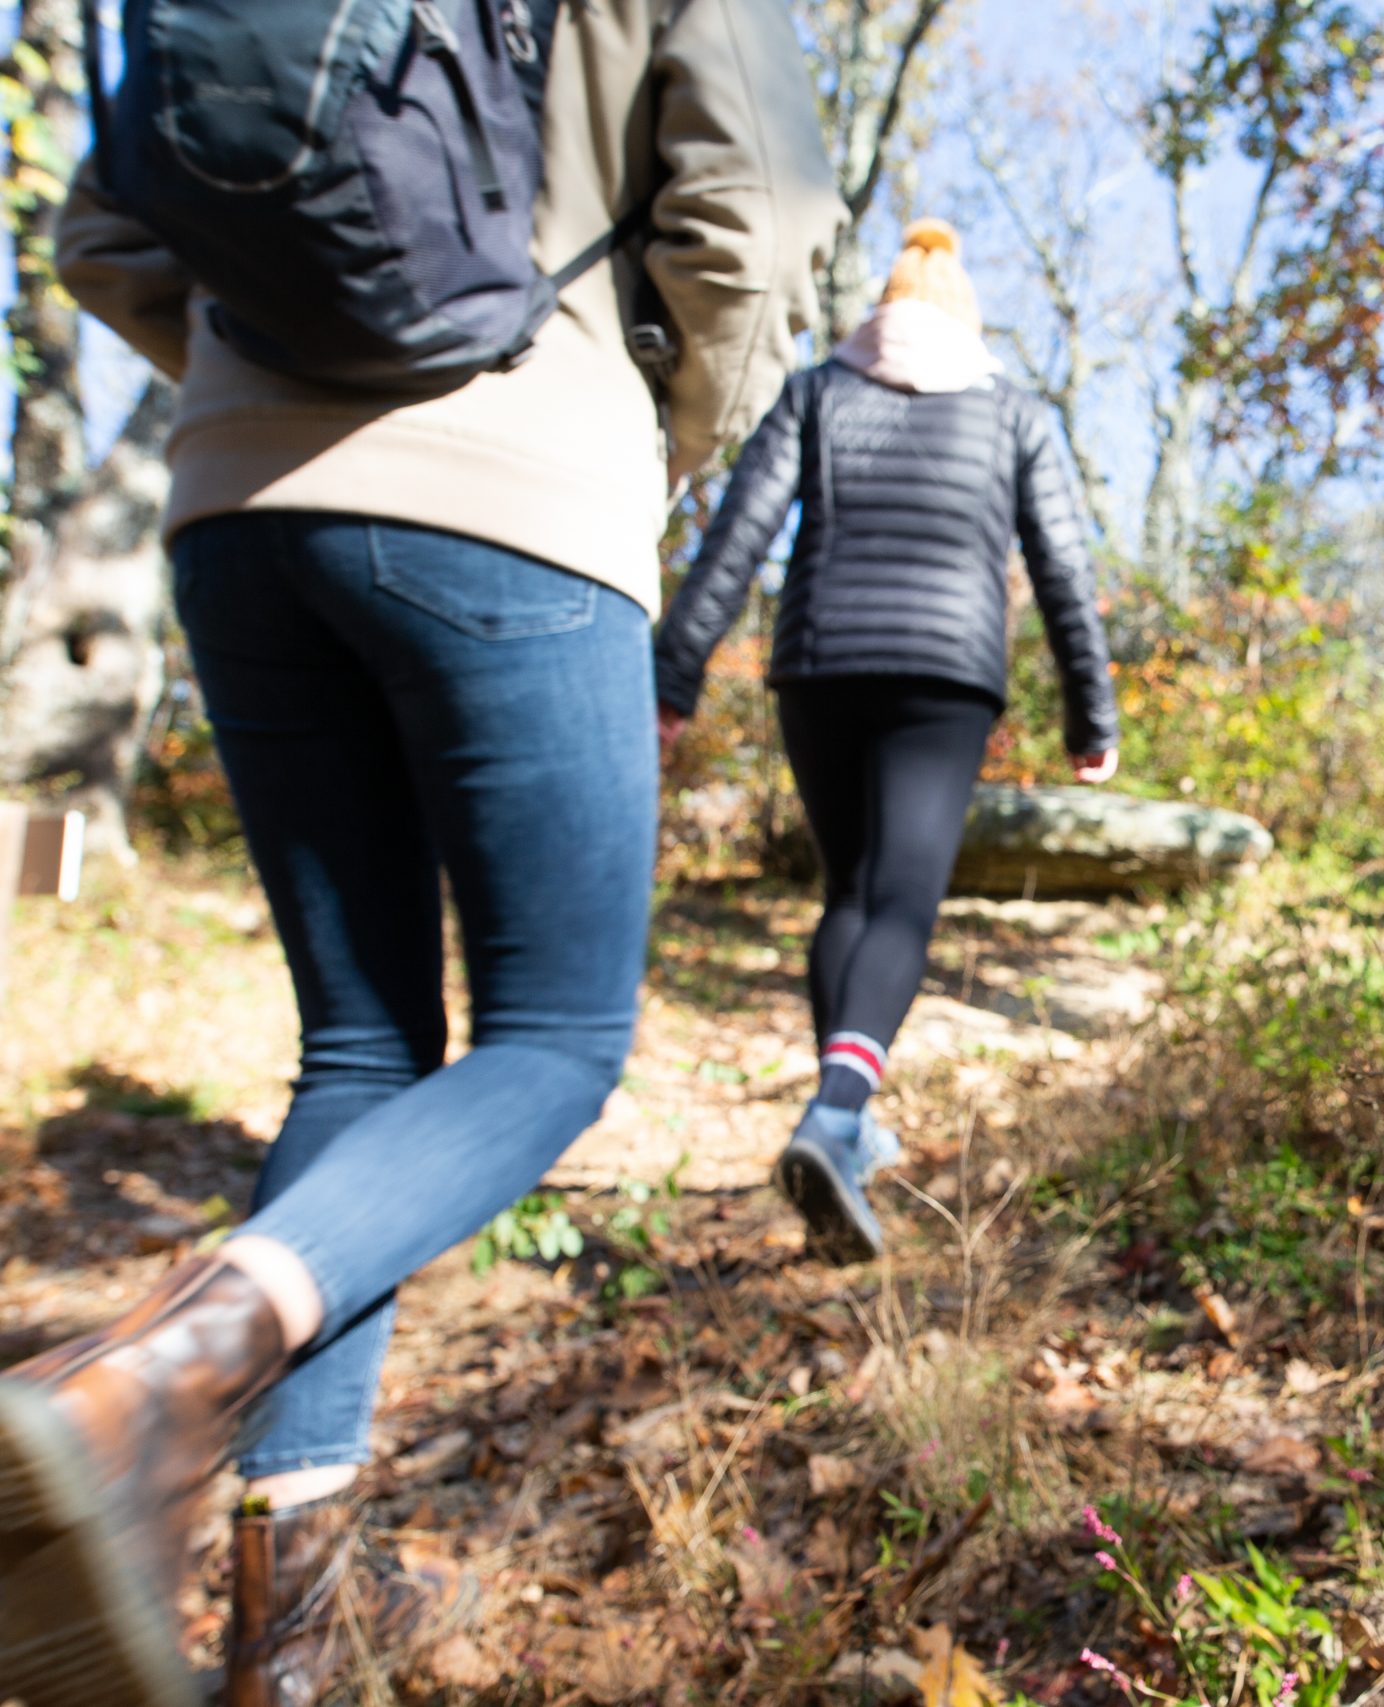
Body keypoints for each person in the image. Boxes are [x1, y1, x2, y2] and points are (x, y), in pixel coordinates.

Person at [0, 2, 842, 1703]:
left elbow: (103, 231)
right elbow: (750, 215)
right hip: (524, 481)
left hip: (236, 503)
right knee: (558, 1036)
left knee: (365, 1043)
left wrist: (263, 385)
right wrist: (643, 446)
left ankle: (286, 1642)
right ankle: (160, 1372)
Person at [653, 218, 1120, 1264]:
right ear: (964, 316)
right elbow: (1062, 571)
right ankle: (836, 1113)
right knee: (902, 900)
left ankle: (842, 1122)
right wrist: (1092, 715)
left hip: (820, 662)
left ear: (880, 313)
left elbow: (739, 531)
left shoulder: (821, 390)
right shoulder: (1010, 413)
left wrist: (674, 672)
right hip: (943, 675)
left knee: (848, 894)